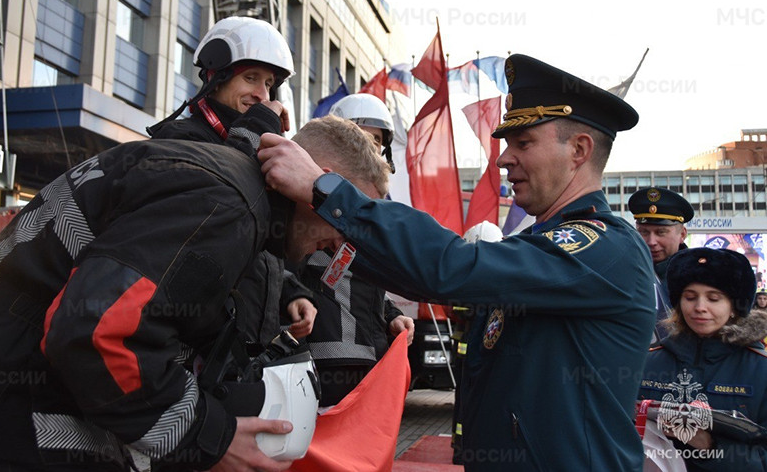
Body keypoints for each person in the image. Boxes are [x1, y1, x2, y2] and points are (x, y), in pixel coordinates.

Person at [0, 113, 389, 471]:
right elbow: (99, 334)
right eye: (342, 209)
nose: (344, 240)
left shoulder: (221, 184)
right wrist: (210, 438)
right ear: (308, 178)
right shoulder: (226, 204)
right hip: (8, 424)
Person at [258, 53, 655, 470]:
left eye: (523, 143)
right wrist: (330, 236)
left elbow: (453, 268)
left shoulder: (603, 249)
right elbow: (425, 279)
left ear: (578, 149)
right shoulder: (547, 247)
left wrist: (328, 192)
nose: (503, 159)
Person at [146, 16, 316, 347]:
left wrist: (291, 293)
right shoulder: (179, 140)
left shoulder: (253, 146)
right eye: (250, 77)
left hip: (242, 351)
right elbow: (217, 216)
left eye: (268, 84)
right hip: (190, 350)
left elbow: (250, 247)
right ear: (215, 77)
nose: (261, 93)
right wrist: (258, 130)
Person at [293, 99, 413, 407]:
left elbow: (362, 284)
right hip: (319, 370)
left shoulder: (370, 213)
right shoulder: (305, 208)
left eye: (376, 143)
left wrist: (392, 317)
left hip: (371, 363)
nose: (368, 150)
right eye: (363, 137)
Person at [638, 247, 767, 470]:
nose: (700, 307)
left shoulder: (761, 368)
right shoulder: (648, 361)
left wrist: (708, 447)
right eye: (690, 297)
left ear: (734, 307)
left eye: (713, 298)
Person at [629, 186, 694, 341]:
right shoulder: (625, 272)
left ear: (682, 234)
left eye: (661, 232)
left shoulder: (699, 276)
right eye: (644, 232)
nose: (651, 242)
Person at [328, 93, 396, 171]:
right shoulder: (318, 179)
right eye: (362, 136)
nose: (371, 145)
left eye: (376, 139)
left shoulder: (378, 182)